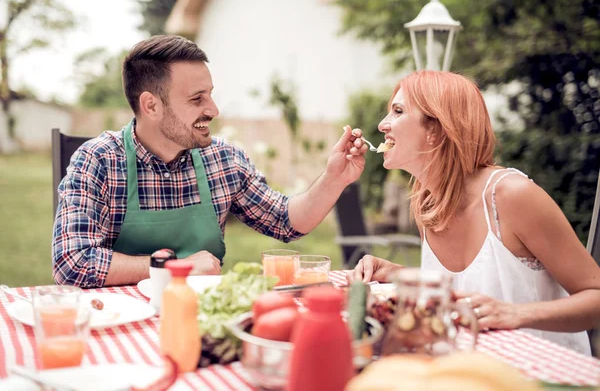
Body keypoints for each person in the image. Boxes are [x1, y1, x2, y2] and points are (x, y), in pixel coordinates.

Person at [52, 35, 368, 289]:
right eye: (196, 99)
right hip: (121, 327)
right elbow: (72, 263)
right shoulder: (99, 161)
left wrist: (334, 177)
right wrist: (179, 267)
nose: (213, 109)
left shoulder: (223, 160)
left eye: (210, 94)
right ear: (151, 105)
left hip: (207, 320)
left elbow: (286, 221)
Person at [350, 70, 600, 355]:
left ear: (436, 130)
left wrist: (515, 314)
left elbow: (595, 298)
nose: (383, 124)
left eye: (398, 111)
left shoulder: (511, 196)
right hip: (467, 369)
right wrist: (403, 276)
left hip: (542, 377)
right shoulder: (427, 202)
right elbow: (466, 292)